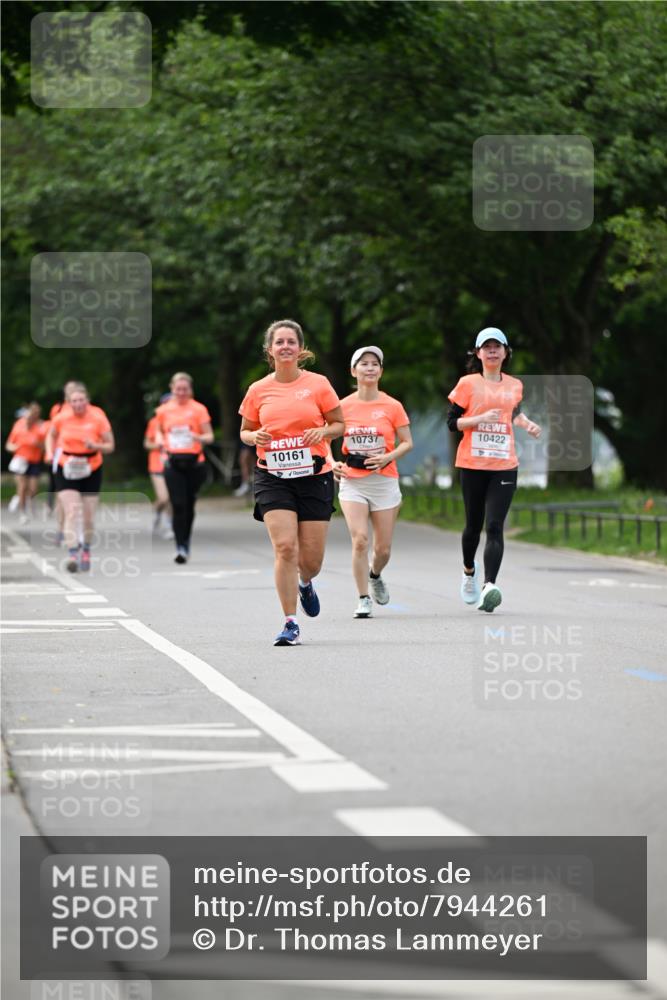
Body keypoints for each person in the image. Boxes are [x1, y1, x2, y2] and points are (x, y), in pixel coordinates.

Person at [239, 319, 344, 646]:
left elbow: (339, 423)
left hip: (314, 475)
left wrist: (323, 432)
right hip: (272, 475)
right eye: (279, 342)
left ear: (300, 349)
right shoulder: (258, 389)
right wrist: (254, 435)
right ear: (270, 350)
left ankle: (305, 582)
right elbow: (244, 431)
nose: (285, 346)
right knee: (285, 547)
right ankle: (289, 622)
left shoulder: (319, 384)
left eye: (291, 342)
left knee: (310, 561)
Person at [447, 327, 541, 612]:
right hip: (473, 464)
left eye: (497, 346)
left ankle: (489, 585)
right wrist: (477, 419)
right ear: (477, 353)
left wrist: (527, 424)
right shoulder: (467, 384)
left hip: (504, 465)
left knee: (495, 525)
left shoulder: (514, 385)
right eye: (486, 346)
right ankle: (468, 572)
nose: (492, 350)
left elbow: (514, 413)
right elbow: (452, 423)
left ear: (505, 352)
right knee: (473, 527)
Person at [333, 346, 413, 619]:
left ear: (381, 371)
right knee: (360, 541)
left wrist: (387, 457)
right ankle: (362, 598)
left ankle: (375, 574)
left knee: (382, 549)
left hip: (384, 481)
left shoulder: (392, 406)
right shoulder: (342, 406)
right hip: (353, 482)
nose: (369, 368)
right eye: (363, 364)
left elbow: (407, 443)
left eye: (374, 364)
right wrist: (333, 464)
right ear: (353, 371)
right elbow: (322, 438)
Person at [45, 384, 114, 572]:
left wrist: (95, 445)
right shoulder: (61, 418)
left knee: (88, 516)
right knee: (72, 512)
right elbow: (50, 436)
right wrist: (50, 453)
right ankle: (73, 553)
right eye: (74, 401)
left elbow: (110, 445)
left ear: (87, 400)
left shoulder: (98, 416)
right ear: (69, 402)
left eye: (81, 400)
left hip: (91, 467)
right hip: (66, 467)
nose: (78, 404)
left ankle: (86, 549)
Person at [155, 373, 213, 564]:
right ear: (172, 389)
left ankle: (185, 540)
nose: (181, 392)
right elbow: (158, 431)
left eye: (184, 389)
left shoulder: (198, 409)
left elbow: (209, 436)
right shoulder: (164, 410)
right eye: (177, 389)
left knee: (189, 505)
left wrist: (198, 438)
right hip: (173, 464)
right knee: (178, 504)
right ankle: (180, 547)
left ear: (190, 389)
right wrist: (159, 440)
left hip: (195, 463)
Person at [5, 402, 46, 523]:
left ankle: (21, 498)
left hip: (34, 461)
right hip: (20, 460)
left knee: (33, 489)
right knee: (22, 486)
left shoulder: (40, 427)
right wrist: (13, 447)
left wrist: (37, 444)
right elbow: (9, 444)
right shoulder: (18, 426)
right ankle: (23, 512)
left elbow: (45, 446)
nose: (29, 419)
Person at [144, 393, 174, 539]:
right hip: (157, 464)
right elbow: (147, 443)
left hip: (174, 463)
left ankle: (169, 524)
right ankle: (156, 515)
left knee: (172, 497)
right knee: (164, 497)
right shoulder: (154, 422)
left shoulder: (179, 421)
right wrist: (159, 445)